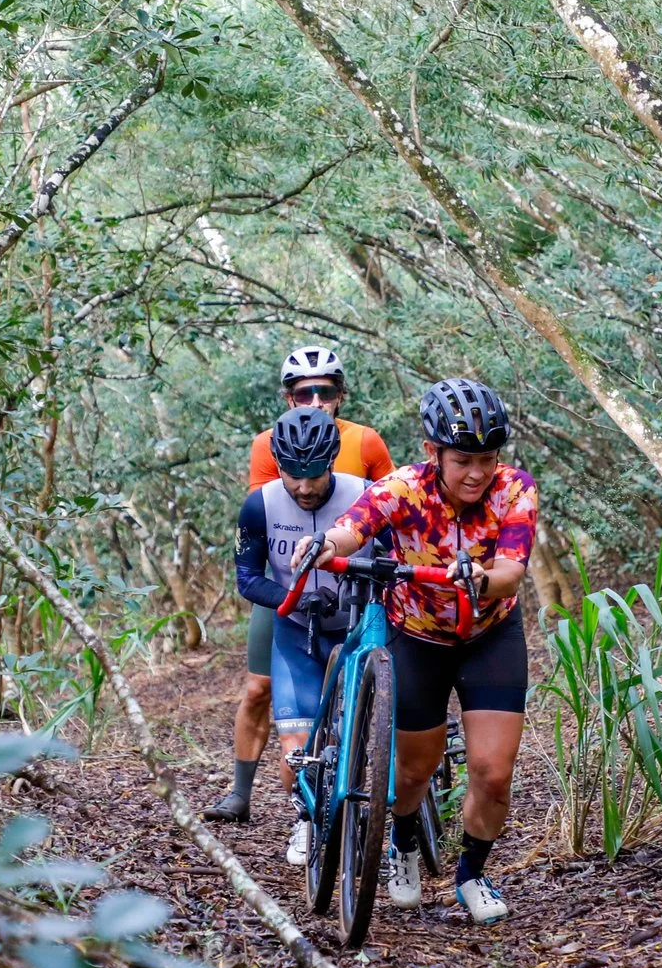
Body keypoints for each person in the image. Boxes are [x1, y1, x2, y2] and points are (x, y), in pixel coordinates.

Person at [309, 378, 535, 925]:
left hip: (490, 635)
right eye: (463, 459)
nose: (476, 472)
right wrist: (323, 546)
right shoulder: (401, 489)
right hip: (417, 635)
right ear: (432, 452)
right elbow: (352, 527)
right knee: (413, 771)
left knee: (492, 771)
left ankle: (471, 874)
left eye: (487, 458)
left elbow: (512, 570)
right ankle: (403, 843)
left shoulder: (514, 489)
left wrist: (480, 579)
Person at [209, 346, 395, 825]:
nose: (314, 399)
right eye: (303, 392)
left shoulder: (367, 443)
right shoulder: (267, 446)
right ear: (288, 398)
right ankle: (242, 791)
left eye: (325, 390)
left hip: (355, 588)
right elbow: (270, 528)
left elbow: (393, 512)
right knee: (259, 688)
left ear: (340, 395)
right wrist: (291, 592)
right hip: (289, 587)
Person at [227, 406, 369, 866]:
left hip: (353, 626)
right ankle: (305, 819)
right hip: (294, 629)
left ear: (333, 462)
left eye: (314, 475)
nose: (304, 488)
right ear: (279, 466)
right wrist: (291, 598)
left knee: (370, 729)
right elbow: (247, 578)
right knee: (296, 755)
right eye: (293, 475)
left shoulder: (363, 495)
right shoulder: (260, 505)